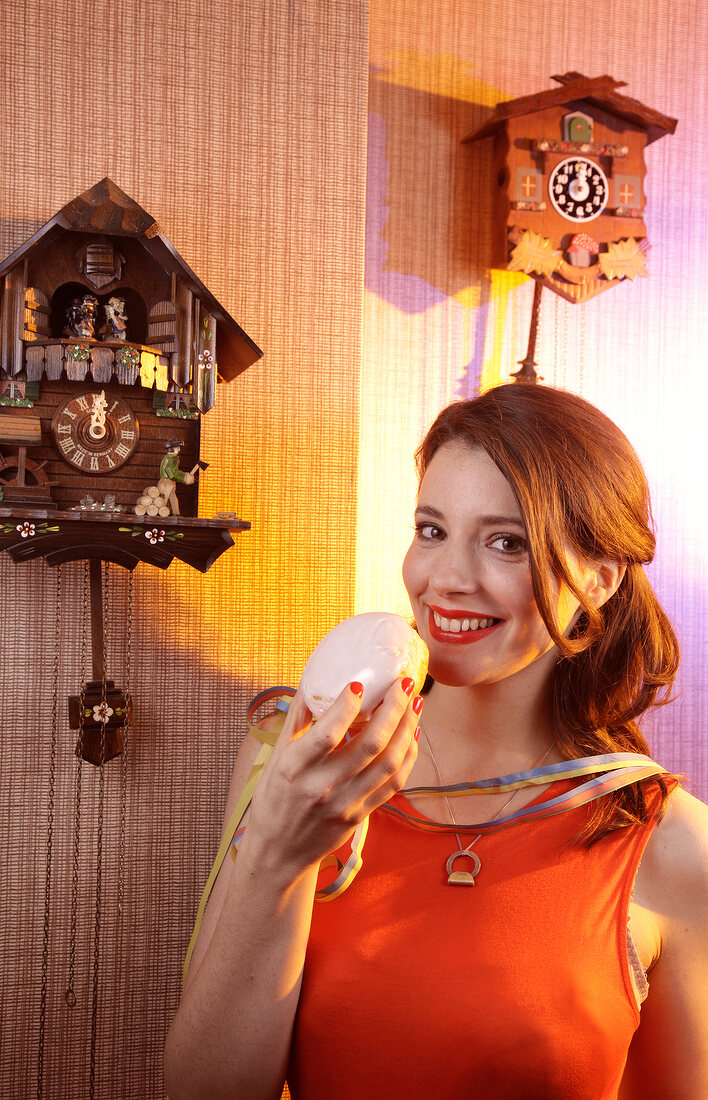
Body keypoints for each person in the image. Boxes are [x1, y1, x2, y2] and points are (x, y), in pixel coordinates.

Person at [164, 383, 708, 1100]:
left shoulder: (671, 845)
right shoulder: (299, 760)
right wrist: (276, 850)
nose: (447, 579)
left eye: (506, 542)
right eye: (431, 529)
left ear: (600, 580)